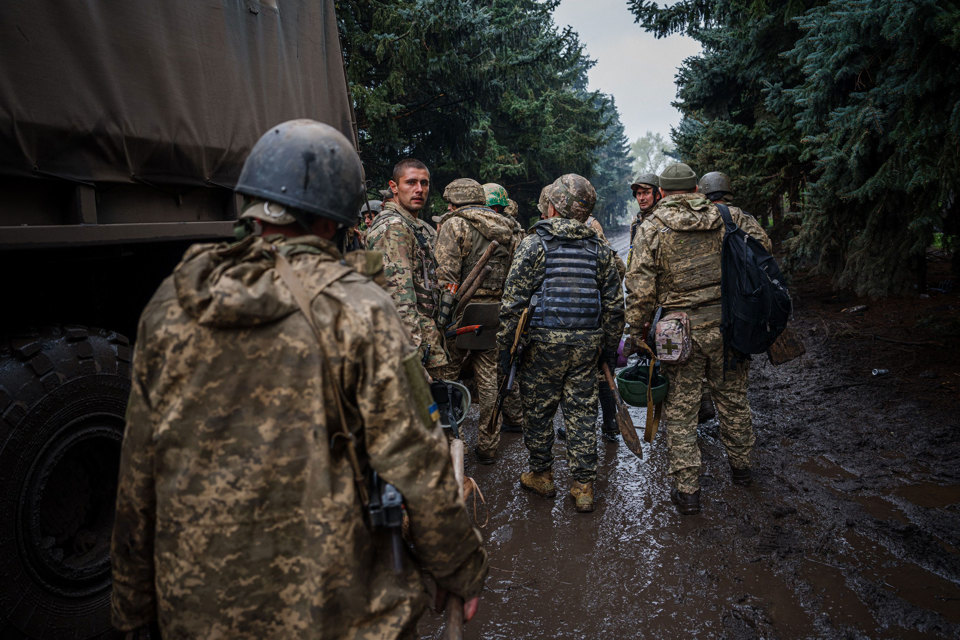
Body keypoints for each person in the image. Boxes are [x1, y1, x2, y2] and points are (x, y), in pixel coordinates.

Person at [109, 120, 487, 639]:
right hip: (332, 608)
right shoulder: (358, 309)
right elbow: (419, 466)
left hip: (197, 610)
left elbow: (137, 481)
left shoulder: (170, 307)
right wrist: (460, 571)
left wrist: (131, 612)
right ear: (335, 220)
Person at [623, 162, 772, 516]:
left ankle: (688, 491)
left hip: (677, 331)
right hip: (727, 325)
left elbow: (640, 290)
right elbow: (763, 251)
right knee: (733, 399)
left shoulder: (653, 227)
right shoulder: (725, 216)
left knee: (681, 409)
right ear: (694, 189)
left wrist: (634, 332)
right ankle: (743, 469)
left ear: (661, 192)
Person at [499, 174, 624, 513]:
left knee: (539, 412)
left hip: (541, 346)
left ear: (553, 206)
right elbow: (615, 307)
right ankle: (583, 486)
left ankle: (542, 475)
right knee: (582, 411)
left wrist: (507, 353)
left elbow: (512, 306)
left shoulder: (533, 244)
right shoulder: (600, 249)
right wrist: (608, 350)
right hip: (587, 347)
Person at [434, 179, 523, 464]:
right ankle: (488, 445)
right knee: (490, 383)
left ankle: (450, 441)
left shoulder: (454, 225)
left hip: (460, 313)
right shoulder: (508, 227)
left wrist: (440, 320)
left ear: (454, 201)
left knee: (445, 377)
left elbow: (445, 278)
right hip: (494, 311)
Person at [366, 159, 449, 376]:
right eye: (411, 182)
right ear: (394, 187)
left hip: (425, 337)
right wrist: (411, 355)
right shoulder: (394, 228)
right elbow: (398, 298)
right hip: (411, 344)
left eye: (424, 183)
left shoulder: (414, 226)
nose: (419, 189)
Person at [626, 172, 661, 269]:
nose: (641, 198)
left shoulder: (663, 220)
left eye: (646, 193)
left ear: (657, 195)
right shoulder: (636, 223)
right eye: (639, 194)